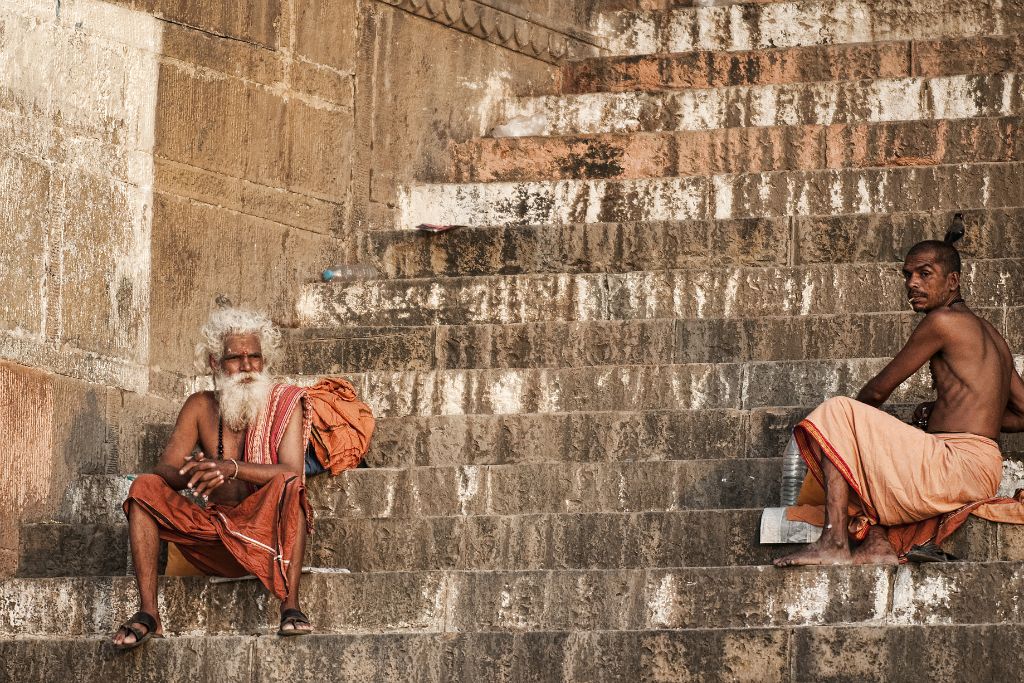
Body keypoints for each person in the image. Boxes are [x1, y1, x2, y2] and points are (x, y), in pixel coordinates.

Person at [775, 229, 1024, 567]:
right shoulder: (992, 334)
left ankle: (834, 542)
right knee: (863, 454)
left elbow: (879, 390)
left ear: (953, 281)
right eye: (908, 275)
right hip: (983, 469)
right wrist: (948, 410)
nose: (912, 283)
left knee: (836, 413)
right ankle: (878, 545)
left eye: (924, 273)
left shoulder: (942, 321)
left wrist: (842, 436)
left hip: (956, 466)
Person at [111, 308, 315, 649]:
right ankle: (149, 613)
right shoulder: (199, 406)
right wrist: (194, 474)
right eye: (235, 358)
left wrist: (230, 467)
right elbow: (164, 471)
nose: (247, 366)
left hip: (265, 536)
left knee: (291, 488)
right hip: (212, 537)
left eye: (254, 357)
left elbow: (292, 470)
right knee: (143, 487)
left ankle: (291, 604)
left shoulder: (285, 404)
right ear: (214, 363)